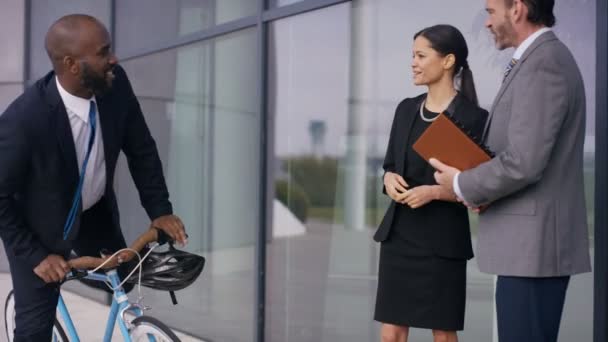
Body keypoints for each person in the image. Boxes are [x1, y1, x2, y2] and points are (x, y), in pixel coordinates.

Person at [0, 14, 188, 341]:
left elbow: (141, 149)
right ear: (73, 64)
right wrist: (36, 256)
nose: (113, 59)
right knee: (33, 331)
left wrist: (160, 210)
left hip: (92, 213)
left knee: (124, 278)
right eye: (103, 53)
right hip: (35, 231)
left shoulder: (115, 85)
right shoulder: (23, 122)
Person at [430, 1, 591, 341]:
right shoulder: (536, 61)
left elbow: (524, 161)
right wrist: (481, 189)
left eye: (491, 11)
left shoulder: (545, 64)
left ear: (517, 8)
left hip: (533, 251)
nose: (487, 23)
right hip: (527, 250)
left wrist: (461, 183)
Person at [374, 25, 488, 342]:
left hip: (443, 242)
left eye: (421, 55)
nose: (413, 62)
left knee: (443, 333)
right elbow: (390, 165)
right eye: (412, 55)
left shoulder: (474, 118)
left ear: (448, 60)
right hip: (399, 236)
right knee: (391, 333)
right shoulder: (405, 109)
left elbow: (480, 188)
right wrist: (389, 178)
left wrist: (435, 192)